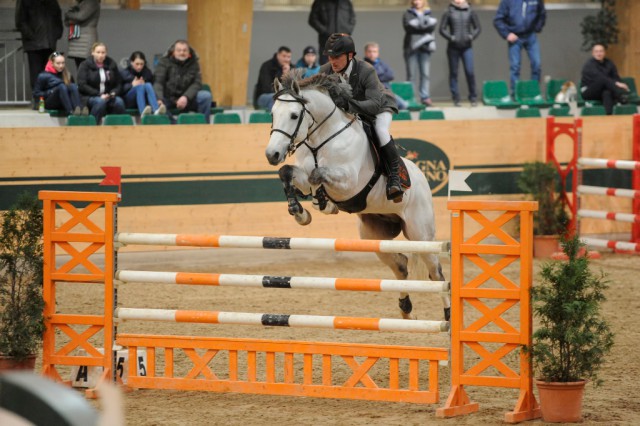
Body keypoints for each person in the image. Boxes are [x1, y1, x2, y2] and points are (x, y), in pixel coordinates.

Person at [319, 33, 407, 202]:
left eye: (337, 57)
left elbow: (374, 104)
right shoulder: (325, 70)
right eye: (330, 56)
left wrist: (347, 104)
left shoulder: (366, 69)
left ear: (350, 55)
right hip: (352, 109)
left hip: (379, 106)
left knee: (380, 131)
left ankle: (395, 177)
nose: (333, 61)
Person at [493, 0, 546, 96]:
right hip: (515, 37)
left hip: (530, 36)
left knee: (536, 65)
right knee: (515, 67)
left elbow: (542, 13)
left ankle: (534, 93)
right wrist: (507, 34)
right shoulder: (507, 1)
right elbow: (498, 20)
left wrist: (537, 27)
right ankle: (515, 94)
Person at [153, 40, 212, 123]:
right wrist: (159, 98)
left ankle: (204, 126)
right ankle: (174, 126)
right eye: (179, 50)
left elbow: (197, 83)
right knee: (156, 103)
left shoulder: (194, 63)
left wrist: (185, 97)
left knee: (206, 96)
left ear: (189, 52)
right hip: (168, 98)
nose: (182, 53)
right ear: (173, 52)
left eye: (184, 50)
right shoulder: (164, 62)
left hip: (188, 98)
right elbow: (158, 82)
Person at [439, 0, 481, 107]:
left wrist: (471, 36)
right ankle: (456, 98)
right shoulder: (449, 11)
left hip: (467, 47)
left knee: (470, 72)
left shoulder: (470, 10)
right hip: (453, 47)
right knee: (454, 73)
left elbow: (478, 27)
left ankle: (473, 97)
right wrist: (451, 38)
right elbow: (442, 29)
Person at [14, 0, 62, 92]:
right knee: (36, 75)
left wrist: (57, 33)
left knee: (49, 73)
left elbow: (57, 16)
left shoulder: (51, 2)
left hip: (49, 42)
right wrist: (32, 35)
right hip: (34, 44)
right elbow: (20, 21)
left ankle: (47, 99)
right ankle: (38, 99)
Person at [77, 42, 125, 124]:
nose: (101, 55)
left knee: (119, 102)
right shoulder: (85, 65)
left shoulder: (111, 64)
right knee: (100, 102)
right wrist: (98, 94)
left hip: (108, 96)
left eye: (103, 52)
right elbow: (82, 85)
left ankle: (115, 127)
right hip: (90, 96)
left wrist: (113, 93)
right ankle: (91, 126)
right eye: (98, 52)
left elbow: (119, 83)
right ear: (93, 53)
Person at [402, 0, 437, 107]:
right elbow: (409, 28)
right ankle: (411, 98)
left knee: (425, 74)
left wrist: (417, 24)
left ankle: (425, 97)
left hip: (425, 48)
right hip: (411, 47)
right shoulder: (408, 13)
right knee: (411, 75)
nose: (417, 1)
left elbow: (432, 27)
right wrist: (424, 25)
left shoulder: (429, 12)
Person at [580, 43, 630, 115]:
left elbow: (616, 77)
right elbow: (600, 78)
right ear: (593, 53)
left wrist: (617, 82)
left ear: (604, 52)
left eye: (601, 51)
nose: (599, 53)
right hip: (588, 91)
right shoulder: (589, 65)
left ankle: (608, 115)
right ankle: (620, 96)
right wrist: (617, 84)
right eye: (596, 51)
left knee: (607, 92)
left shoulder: (609, 63)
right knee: (602, 80)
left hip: (602, 90)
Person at [33, 51, 86, 116]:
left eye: (63, 63)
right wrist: (51, 91)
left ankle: (79, 110)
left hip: (65, 101)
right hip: (50, 102)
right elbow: (36, 94)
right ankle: (70, 112)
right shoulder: (43, 76)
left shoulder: (67, 74)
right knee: (61, 86)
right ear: (52, 63)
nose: (61, 66)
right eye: (58, 63)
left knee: (72, 86)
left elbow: (73, 91)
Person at [363, 42, 408, 110]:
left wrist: (375, 75)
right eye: (370, 51)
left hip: (387, 92)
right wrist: (380, 75)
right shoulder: (363, 64)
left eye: (374, 51)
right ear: (365, 53)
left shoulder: (382, 64)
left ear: (378, 53)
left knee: (403, 105)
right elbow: (367, 78)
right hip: (373, 94)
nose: (372, 54)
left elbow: (390, 75)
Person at [308, 0, 356, 65]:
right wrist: (325, 31)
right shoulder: (319, 2)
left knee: (345, 67)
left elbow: (352, 19)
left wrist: (348, 31)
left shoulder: (347, 2)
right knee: (326, 68)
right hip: (326, 42)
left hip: (344, 42)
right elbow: (312, 19)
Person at [120, 51, 165, 117]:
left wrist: (158, 99)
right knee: (140, 87)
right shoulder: (125, 72)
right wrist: (132, 85)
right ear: (131, 62)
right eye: (137, 64)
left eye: (141, 64)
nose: (139, 67)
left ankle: (156, 110)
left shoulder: (147, 72)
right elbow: (120, 89)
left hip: (144, 99)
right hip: (128, 100)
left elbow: (153, 88)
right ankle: (143, 112)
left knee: (148, 84)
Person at [64, 0, 101, 72]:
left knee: (85, 67)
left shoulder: (92, 2)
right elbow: (67, 22)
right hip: (76, 39)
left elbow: (80, 16)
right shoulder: (79, 4)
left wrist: (68, 14)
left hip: (85, 40)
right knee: (79, 67)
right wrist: (71, 17)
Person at [254, 46, 292, 111]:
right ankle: (274, 120)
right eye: (284, 56)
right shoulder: (267, 66)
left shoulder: (292, 68)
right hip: (264, 96)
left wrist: (288, 76)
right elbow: (266, 88)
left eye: (288, 57)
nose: (286, 59)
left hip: (285, 96)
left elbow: (295, 87)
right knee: (276, 98)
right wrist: (282, 76)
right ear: (278, 55)